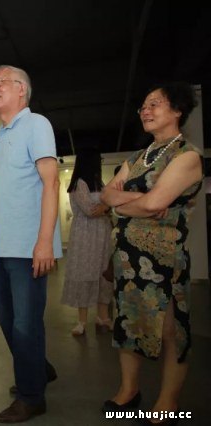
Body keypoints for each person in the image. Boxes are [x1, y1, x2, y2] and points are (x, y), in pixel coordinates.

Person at [100, 82, 202, 424]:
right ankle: (129, 390)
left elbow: (154, 203)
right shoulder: (138, 157)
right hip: (127, 258)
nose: (145, 109)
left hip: (164, 259)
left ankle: (168, 401)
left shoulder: (187, 155)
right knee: (127, 323)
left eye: (155, 103)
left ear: (177, 110)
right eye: (143, 105)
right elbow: (106, 196)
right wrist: (135, 202)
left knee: (170, 330)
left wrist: (129, 203)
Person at [0, 65, 62, 423]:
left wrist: (44, 241)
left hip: (28, 247)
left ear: (22, 90)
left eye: (1, 81)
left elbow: (51, 183)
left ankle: (32, 396)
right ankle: (38, 368)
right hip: (1, 246)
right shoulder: (2, 134)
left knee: (25, 324)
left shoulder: (36, 124)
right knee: (7, 318)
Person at [61, 151, 114, 336]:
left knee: (103, 273)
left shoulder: (98, 182)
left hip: (102, 233)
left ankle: (103, 316)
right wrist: (108, 207)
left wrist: (106, 208)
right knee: (84, 273)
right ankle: (82, 321)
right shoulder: (79, 184)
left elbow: (104, 207)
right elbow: (90, 210)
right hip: (85, 235)